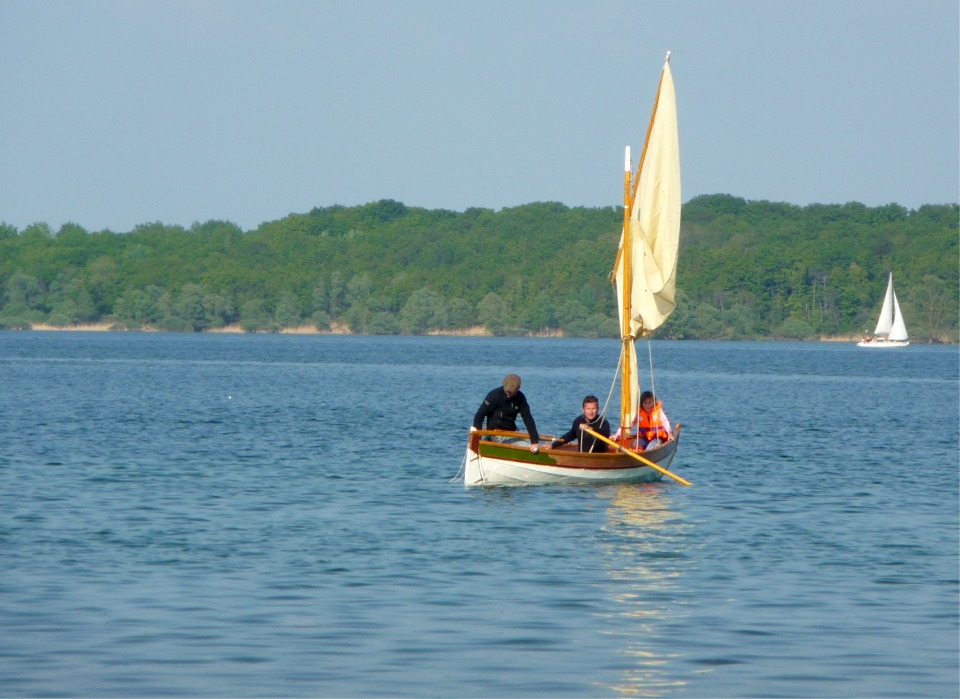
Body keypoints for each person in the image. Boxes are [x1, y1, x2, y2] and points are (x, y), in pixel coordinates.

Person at [471, 374, 541, 453]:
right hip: (496, 433)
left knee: (535, 443)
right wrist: (477, 438)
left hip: (512, 430)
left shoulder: (520, 398)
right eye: (506, 390)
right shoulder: (494, 395)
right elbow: (479, 415)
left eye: (511, 392)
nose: (508, 393)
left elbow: (528, 418)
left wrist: (534, 441)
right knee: (526, 445)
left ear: (517, 390)